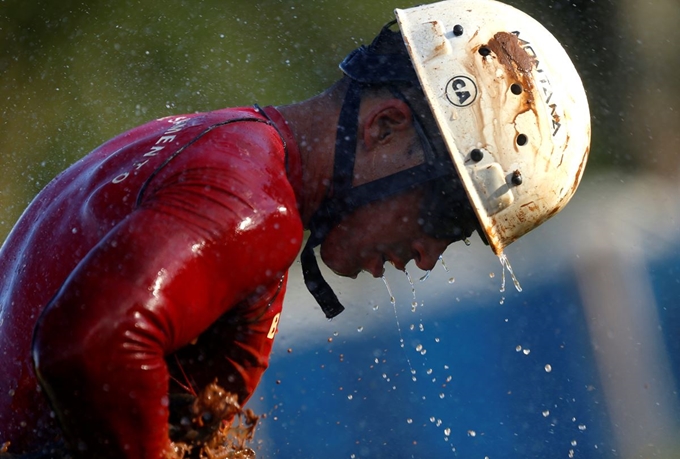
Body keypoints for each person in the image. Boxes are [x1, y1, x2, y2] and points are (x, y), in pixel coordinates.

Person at [0, 0, 590, 457]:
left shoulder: (222, 141)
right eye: (445, 215)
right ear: (385, 126)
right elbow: (92, 343)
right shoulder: (254, 207)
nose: (429, 256)